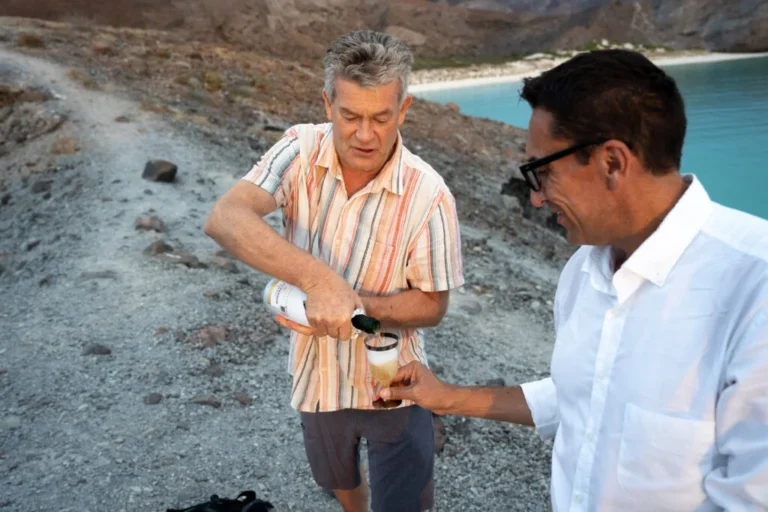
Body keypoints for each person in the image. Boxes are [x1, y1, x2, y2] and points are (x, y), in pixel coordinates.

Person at [377, 49, 768, 511]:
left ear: (612, 162)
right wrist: (446, 397)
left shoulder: (754, 287)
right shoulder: (582, 270)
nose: (536, 199)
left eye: (542, 172)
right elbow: (582, 392)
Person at [204, 30, 464, 512]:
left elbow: (432, 306)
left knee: (403, 503)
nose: (365, 135)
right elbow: (225, 217)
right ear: (328, 104)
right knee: (338, 478)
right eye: (350, 116)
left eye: (380, 118)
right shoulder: (299, 148)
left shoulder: (430, 195)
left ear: (403, 110)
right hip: (316, 379)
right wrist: (319, 281)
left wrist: (353, 305)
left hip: (393, 382)